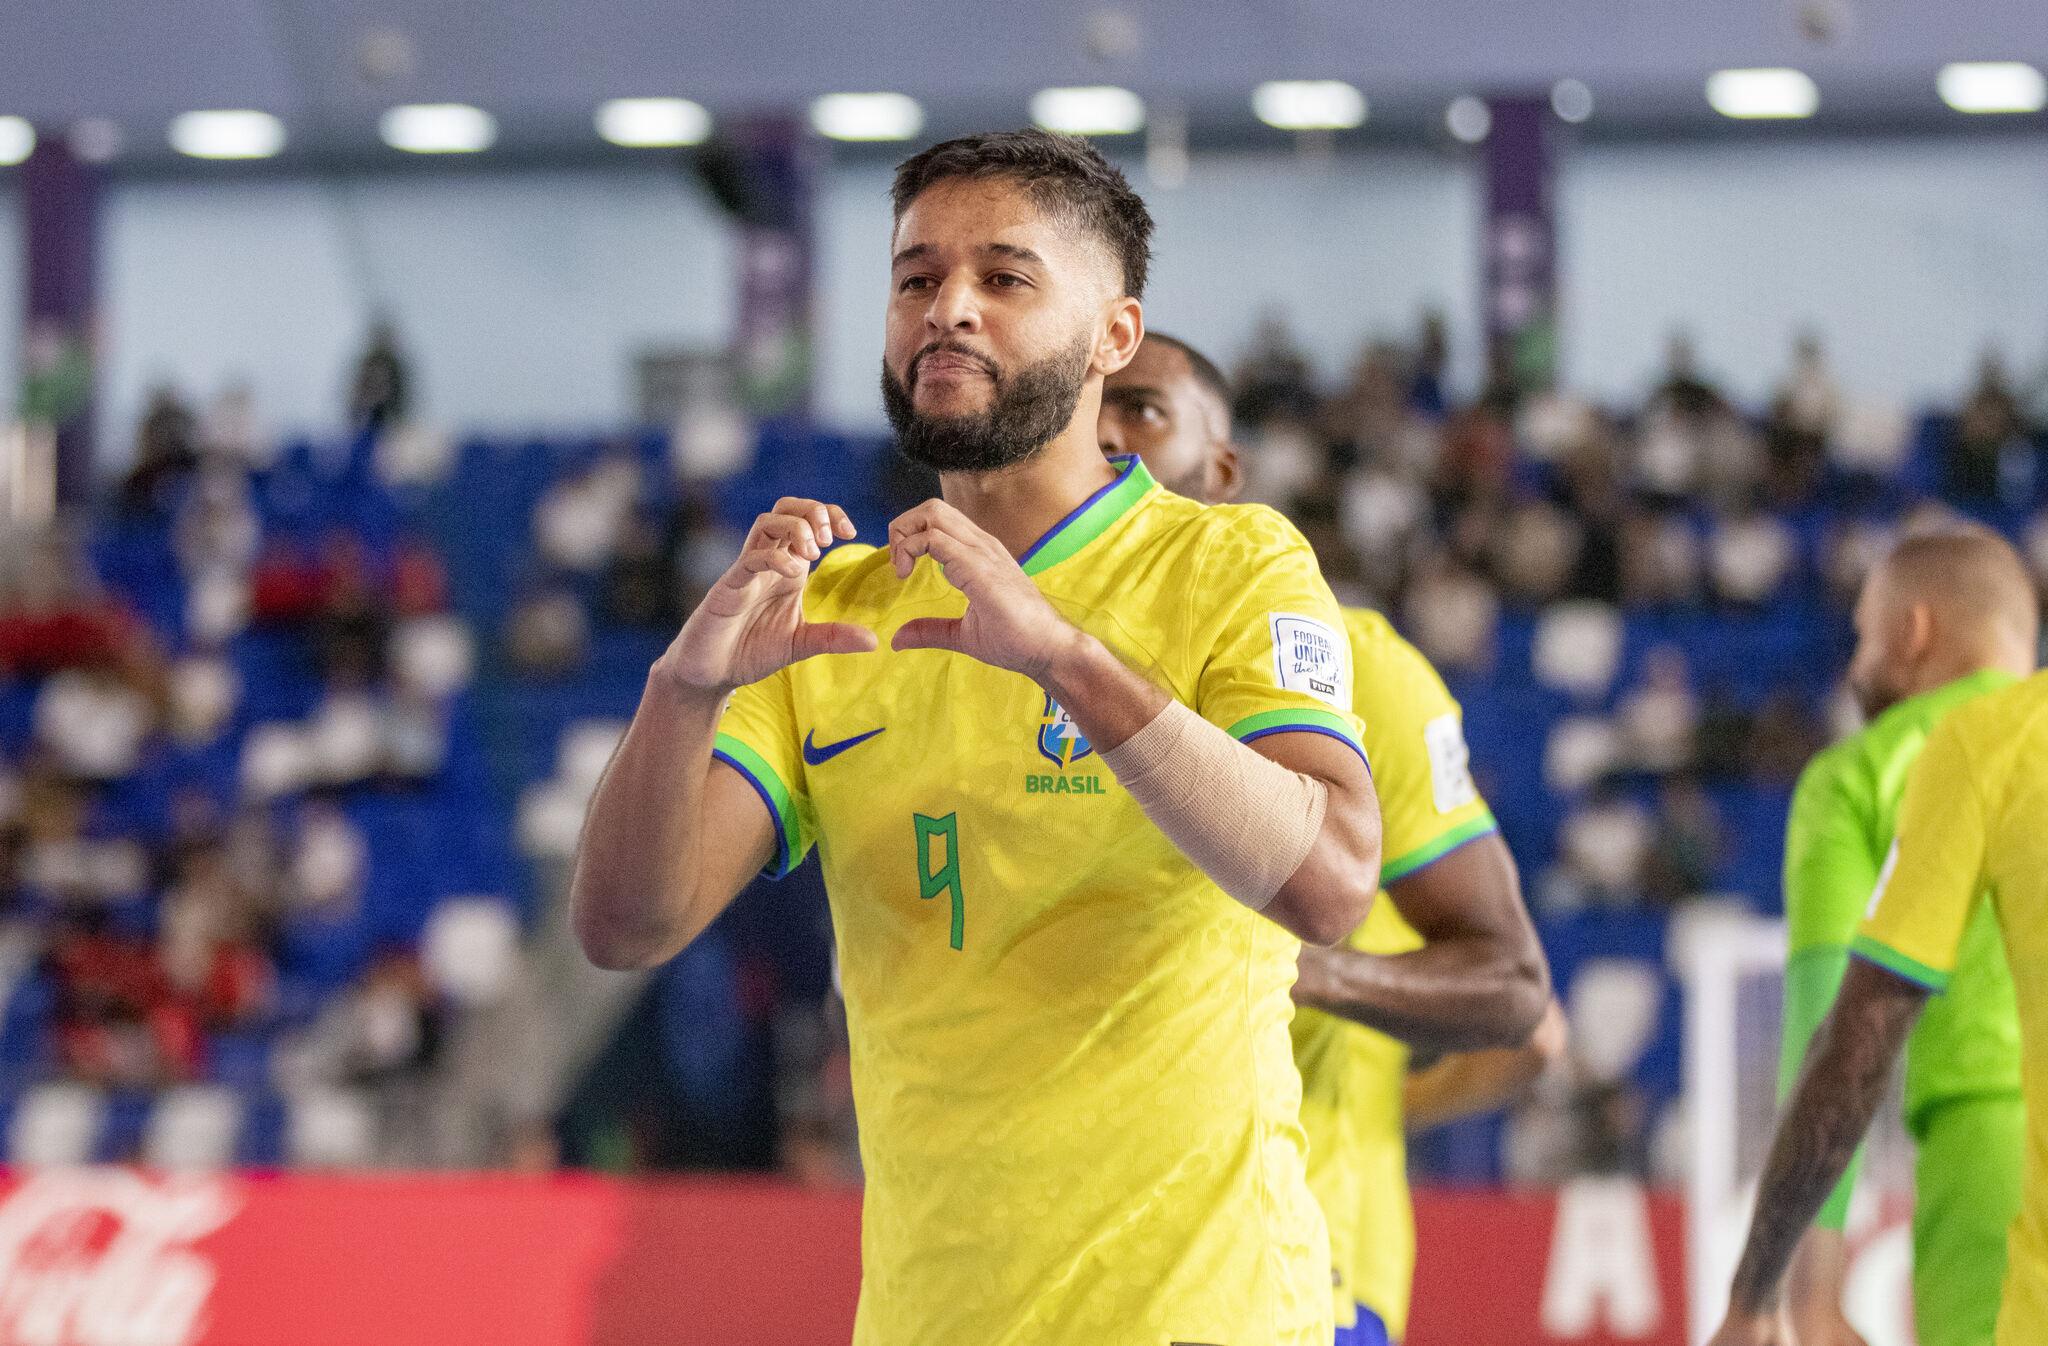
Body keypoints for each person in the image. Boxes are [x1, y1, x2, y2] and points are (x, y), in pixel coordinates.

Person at [571, 130, 1383, 1346]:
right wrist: (682, 689)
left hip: (1210, 1318)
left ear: (1113, 335)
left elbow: (1327, 880)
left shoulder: (1231, 562)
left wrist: (1062, 656)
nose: (947, 309)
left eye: (1004, 278)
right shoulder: (829, 611)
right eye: (915, 278)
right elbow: (626, 925)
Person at [1103, 331, 1562, 1346]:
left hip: (1300, 1280)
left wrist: (1315, 978)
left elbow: (1523, 1010)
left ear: (1222, 470)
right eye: (1087, 406)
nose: (1102, 431)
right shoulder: (1022, 666)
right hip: (1065, 1278)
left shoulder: (1354, 673)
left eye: (1141, 408)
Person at [1709, 537, 2047, 1346]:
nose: (1856, 664)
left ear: (1912, 632)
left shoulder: (1871, 772)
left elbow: (1838, 1030)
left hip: (1989, 1156)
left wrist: (1799, 1291)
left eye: (1863, 636)